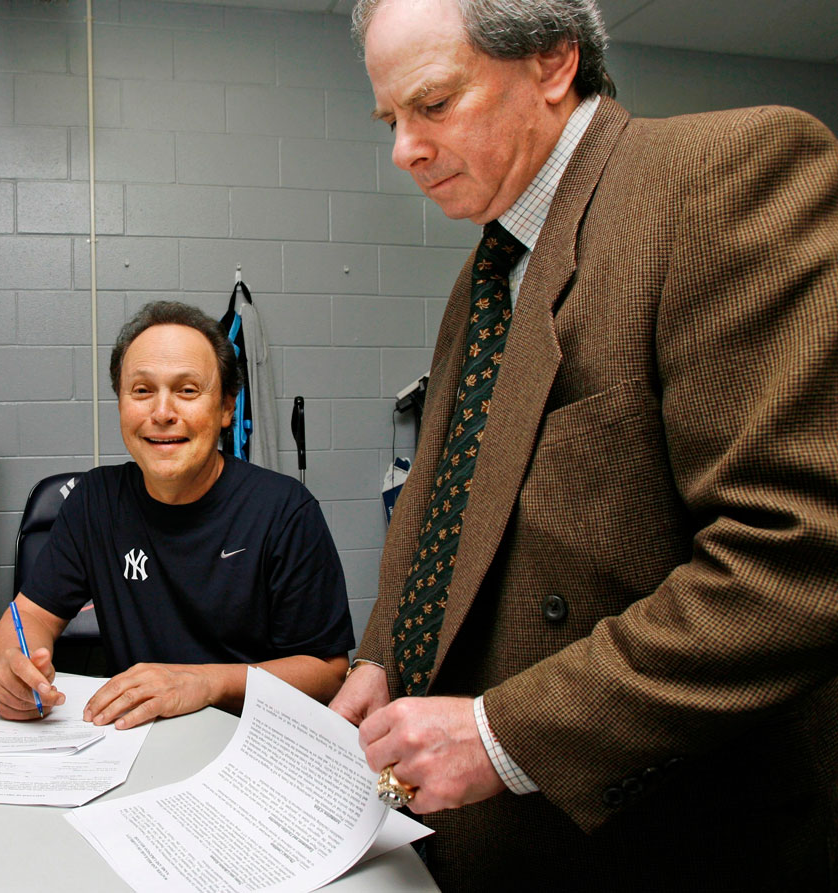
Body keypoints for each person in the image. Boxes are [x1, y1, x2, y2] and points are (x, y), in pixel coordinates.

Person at [330, 0, 838, 889]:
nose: (405, 149)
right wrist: (384, 657)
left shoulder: (725, 174)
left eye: (434, 104)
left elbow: (795, 559)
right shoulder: (486, 271)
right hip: (489, 842)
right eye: (391, 119)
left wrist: (505, 735)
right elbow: (446, 501)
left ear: (554, 61)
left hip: (662, 842)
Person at [0, 301, 354, 729]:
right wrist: (17, 667)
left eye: (187, 390)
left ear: (226, 409)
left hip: (248, 737)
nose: (162, 413)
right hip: (136, 737)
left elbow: (327, 672)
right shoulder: (95, 500)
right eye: (142, 391)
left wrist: (204, 683)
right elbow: (30, 616)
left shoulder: (284, 510)